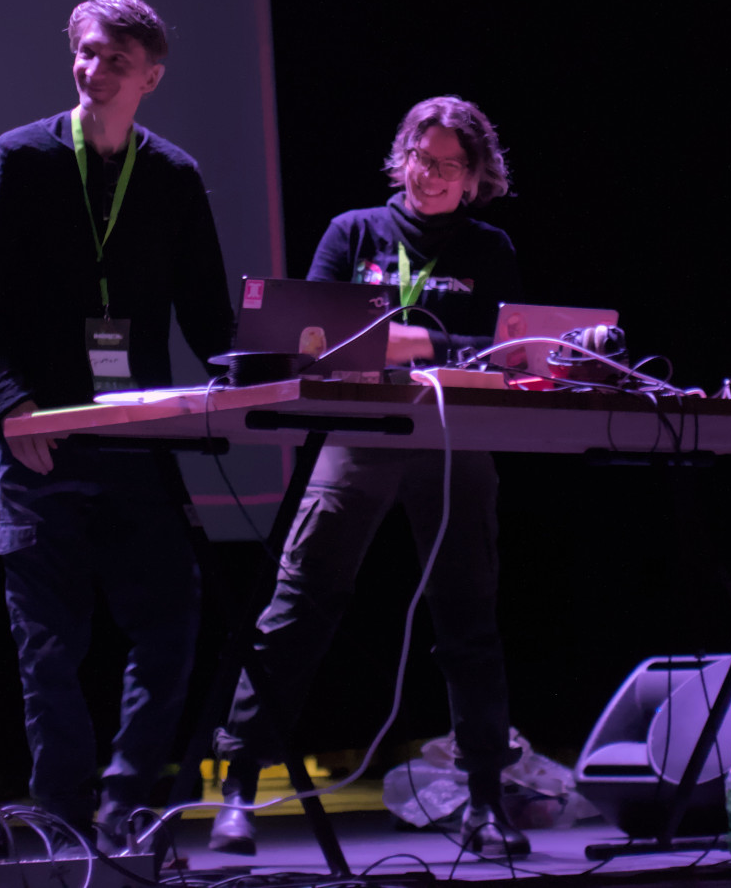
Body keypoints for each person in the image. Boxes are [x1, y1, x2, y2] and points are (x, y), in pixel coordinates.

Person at [211, 95, 529, 858]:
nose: (431, 174)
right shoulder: (353, 231)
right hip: (359, 431)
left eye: (450, 164)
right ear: (402, 156)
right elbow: (309, 338)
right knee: (299, 603)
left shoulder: (490, 247)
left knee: (469, 616)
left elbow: (502, 351)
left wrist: (400, 341)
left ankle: (486, 800)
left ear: (476, 175)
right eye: (422, 157)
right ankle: (238, 785)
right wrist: (429, 342)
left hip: (455, 436)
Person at [0, 0, 234, 850]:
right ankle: (60, 820)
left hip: (138, 439)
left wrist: (261, 376)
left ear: (151, 76)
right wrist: (9, 405)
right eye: (85, 52)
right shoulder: (20, 157)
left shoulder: (174, 176)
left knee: (171, 622)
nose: (94, 69)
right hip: (41, 438)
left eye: (116, 59)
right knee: (50, 645)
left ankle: (123, 803)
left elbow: (210, 317)